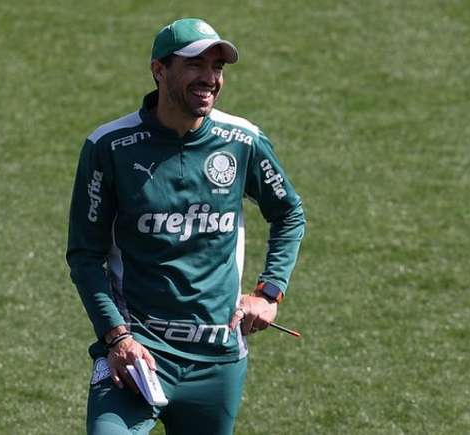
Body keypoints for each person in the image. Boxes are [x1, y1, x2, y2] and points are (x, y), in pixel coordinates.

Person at [66, 17, 305, 435]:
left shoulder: (242, 141)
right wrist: (116, 337)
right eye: (196, 65)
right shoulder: (109, 147)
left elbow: (289, 213)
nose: (210, 78)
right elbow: (85, 254)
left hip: (217, 357)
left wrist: (270, 292)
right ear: (160, 70)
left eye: (218, 68)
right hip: (136, 352)